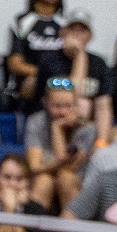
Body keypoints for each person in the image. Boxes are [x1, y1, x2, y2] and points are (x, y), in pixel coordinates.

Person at [22, 82, 95, 211]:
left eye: (68, 106)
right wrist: (57, 127)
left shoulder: (87, 128)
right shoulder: (36, 121)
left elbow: (69, 167)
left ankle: (71, 229)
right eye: (56, 106)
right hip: (43, 180)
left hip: (76, 184)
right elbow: (33, 166)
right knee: (44, 180)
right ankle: (30, 229)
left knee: (65, 178)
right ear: (45, 103)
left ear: (76, 105)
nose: (62, 112)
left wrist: (56, 128)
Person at [2, 0, 63, 111]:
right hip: (31, 82)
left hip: (62, 82)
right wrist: (44, 74)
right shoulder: (21, 23)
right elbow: (15, 64)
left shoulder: (66, 25)